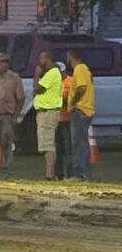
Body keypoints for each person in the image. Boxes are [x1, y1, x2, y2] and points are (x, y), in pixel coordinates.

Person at [32, 52, 63, 181]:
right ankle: (50, 173)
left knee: (48, 144)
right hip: (46, 112)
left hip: (48, 112)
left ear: (48, 58)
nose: (39, 60)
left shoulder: (52, 73)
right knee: (46, 144)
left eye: (41, 58)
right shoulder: (52, 73)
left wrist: (36, 75)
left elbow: (37, 89)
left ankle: (50, 175)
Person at [67, 49, 96, 181]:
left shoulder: (79, 69)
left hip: (80, 110)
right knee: (82, 143)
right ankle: (83, 173)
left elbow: (82, 88)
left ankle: (79, 173)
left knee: (78, 143)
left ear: (71, 57)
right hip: (86, 110)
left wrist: (73, 103)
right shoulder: (86, 69)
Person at [55, 62, 73, 180]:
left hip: (68, 120)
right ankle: (59, 174)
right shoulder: (53, 82)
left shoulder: (70, 81)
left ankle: (71, 173)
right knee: (58, 149)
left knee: (69, 148)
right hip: (56, 120)